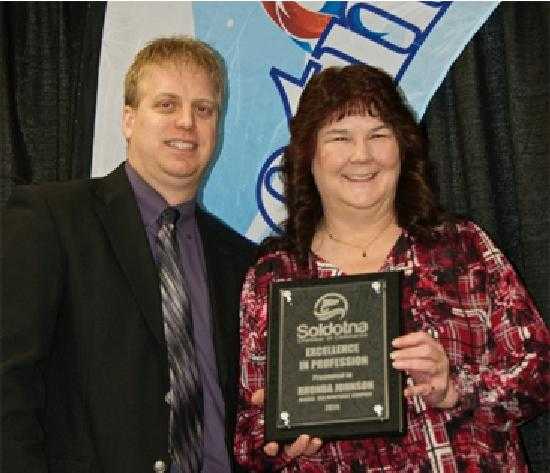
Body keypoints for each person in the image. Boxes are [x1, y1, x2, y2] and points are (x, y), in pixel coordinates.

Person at [234, 64, 550, 472]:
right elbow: (247, 442)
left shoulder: (463, 248)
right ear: (308, 156)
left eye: (378, 135)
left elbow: (540, 372)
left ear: (403, 148)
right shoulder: (273, 277)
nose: (361, 155)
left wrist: (457, 389)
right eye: (340, 137)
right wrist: (275, 439)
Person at [2, 36, 256, 473]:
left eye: (203, 109)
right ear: (128, 119)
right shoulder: (52, 220)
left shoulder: (240, 261)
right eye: (166, 105)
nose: (186, 123)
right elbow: (8, 383)